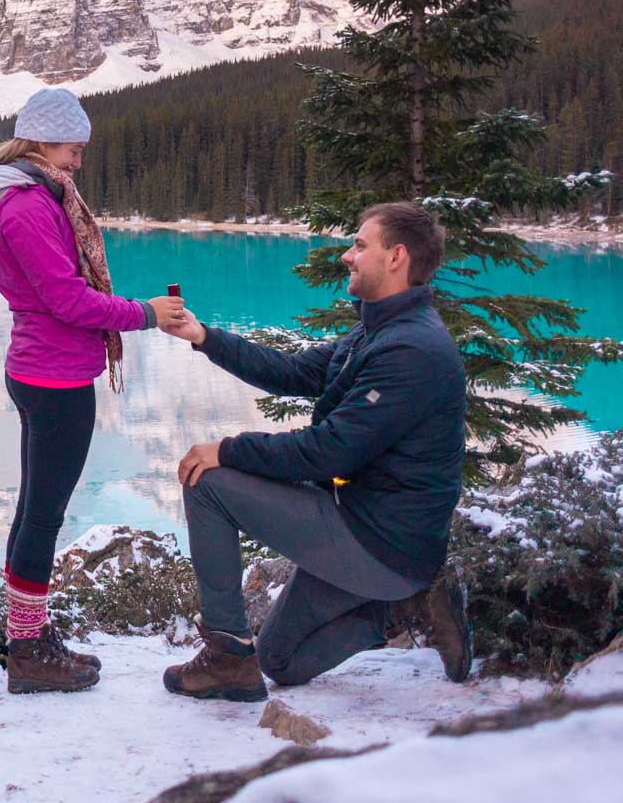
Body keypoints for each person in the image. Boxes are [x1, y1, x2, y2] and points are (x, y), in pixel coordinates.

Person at [158, 202, 470, 703]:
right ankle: (406, 609)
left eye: (360, 245)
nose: (348, 256)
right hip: (367, 528)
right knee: (280, 661)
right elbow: (294, 373)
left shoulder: (413, 350)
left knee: (208, 481)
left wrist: (229, 450)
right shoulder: (376, 330)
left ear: (396, 257)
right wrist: (204, 337)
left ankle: (226, 658)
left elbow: (328, 453)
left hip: (380, 541)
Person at [0, 87, 184, 694]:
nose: (78, 162)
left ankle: (30, 636)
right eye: (74, 150)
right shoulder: (26, 207)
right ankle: (28, 653)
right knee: (43, 515)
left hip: (44, 370)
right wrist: (147, 314)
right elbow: (68, 300)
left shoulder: (33, 196)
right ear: (43, 142)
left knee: (34, 510)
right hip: (54, 379)